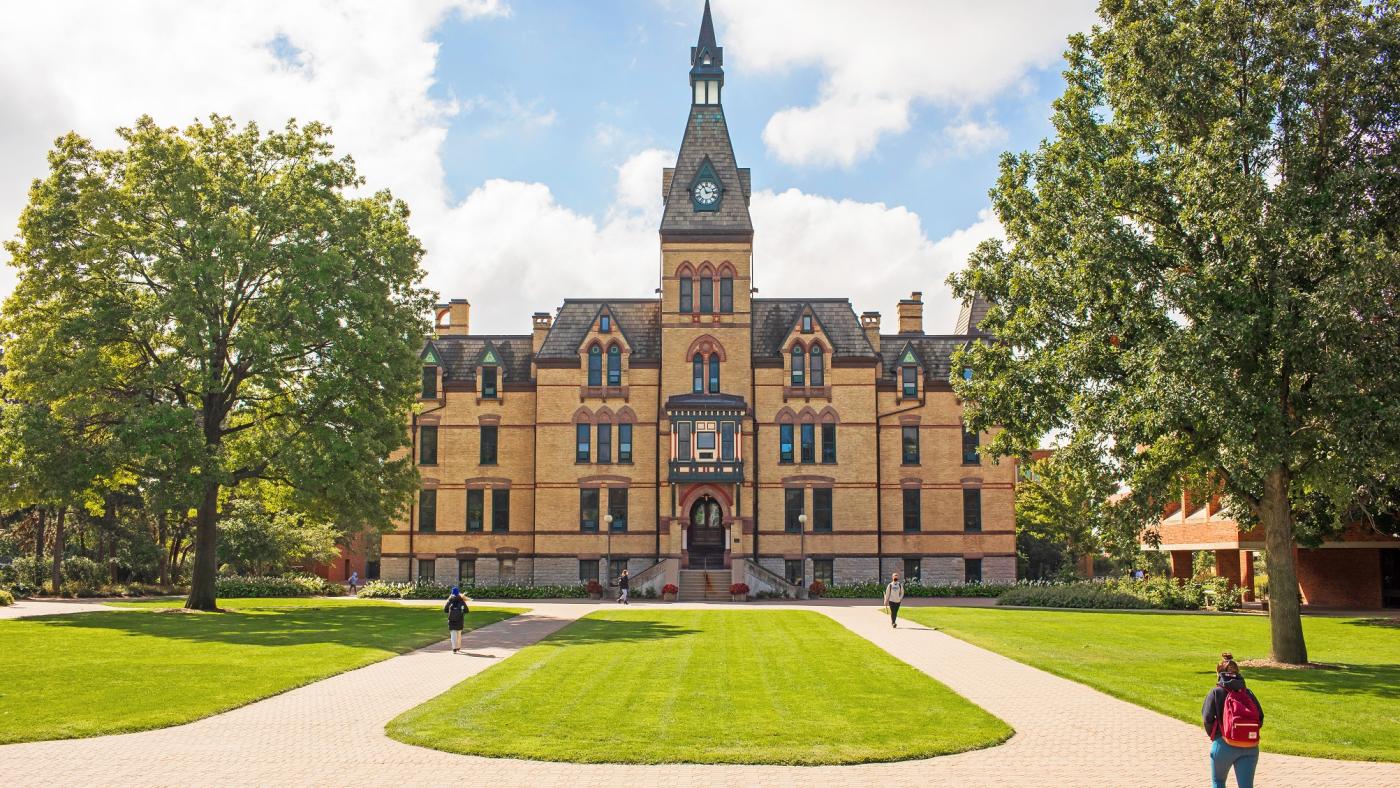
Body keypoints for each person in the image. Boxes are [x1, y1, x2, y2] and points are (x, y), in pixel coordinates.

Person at [1202, 652, 1264, 788]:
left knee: (1218, 782)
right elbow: (1260, 718)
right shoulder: (1248, 693)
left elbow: (1207, 718)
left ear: (1219, 673)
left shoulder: (1216, 692)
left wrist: (1216, 736)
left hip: (1224, 744)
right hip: (1250, 745)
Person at [444, 586, 469, 653]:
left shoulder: (450, 600)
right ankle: (458, 647)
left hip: (451, 620)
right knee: (458, 634)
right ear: (458, 593)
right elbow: (467, 610)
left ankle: (454, 648)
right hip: (460, 620)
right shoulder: (461, 601)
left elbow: (445, 610)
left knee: (453, 634)